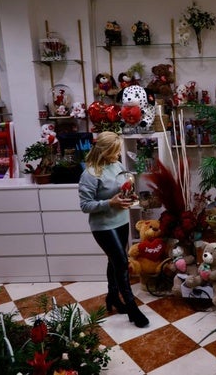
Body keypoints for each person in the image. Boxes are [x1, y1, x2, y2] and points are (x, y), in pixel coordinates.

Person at [78, 131, 149, 328]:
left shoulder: (116, 165)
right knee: (122, 263)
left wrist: (129, 197)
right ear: (105, 150)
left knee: (114, 261)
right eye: (115, 150)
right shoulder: (90, 174)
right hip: (103, 226)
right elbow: (85, 206)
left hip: (120, 221)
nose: (119, 154)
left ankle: (113, 297)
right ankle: (132, 309)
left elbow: (121, 190)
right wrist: (110, 202)